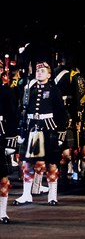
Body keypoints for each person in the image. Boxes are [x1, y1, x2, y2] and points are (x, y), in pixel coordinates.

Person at [13, 61, 67, 206]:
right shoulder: (29, 89)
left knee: (51, 163)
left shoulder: (54, 90)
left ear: (49, 75)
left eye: (43, 71)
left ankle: (52, 195)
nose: (39, 73)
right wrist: (20, 131)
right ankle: (26, 194)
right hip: (31, 127)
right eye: (38, 71)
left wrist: (61, 133)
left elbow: (61, 113)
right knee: (27, 163)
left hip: (48, 127)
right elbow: (22, 110)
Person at [0, 67, 19, 223]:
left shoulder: (6, 92)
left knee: (2, 178)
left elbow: (12, 116)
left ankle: (2, 212)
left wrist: (11, 141)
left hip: (0, 136)